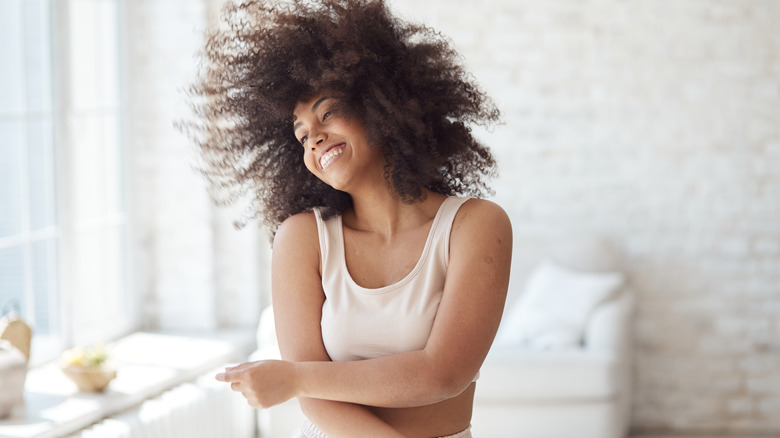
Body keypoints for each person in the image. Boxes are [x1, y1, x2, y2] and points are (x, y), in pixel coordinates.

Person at [187, 0, 512, 436]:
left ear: (384, 105)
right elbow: (318, 404)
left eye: (329, 112)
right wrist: (301, 381)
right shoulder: (303, 238)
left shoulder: (475, 225)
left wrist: (295, 377)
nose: (314, 138)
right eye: (301, 134)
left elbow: (443, 374)